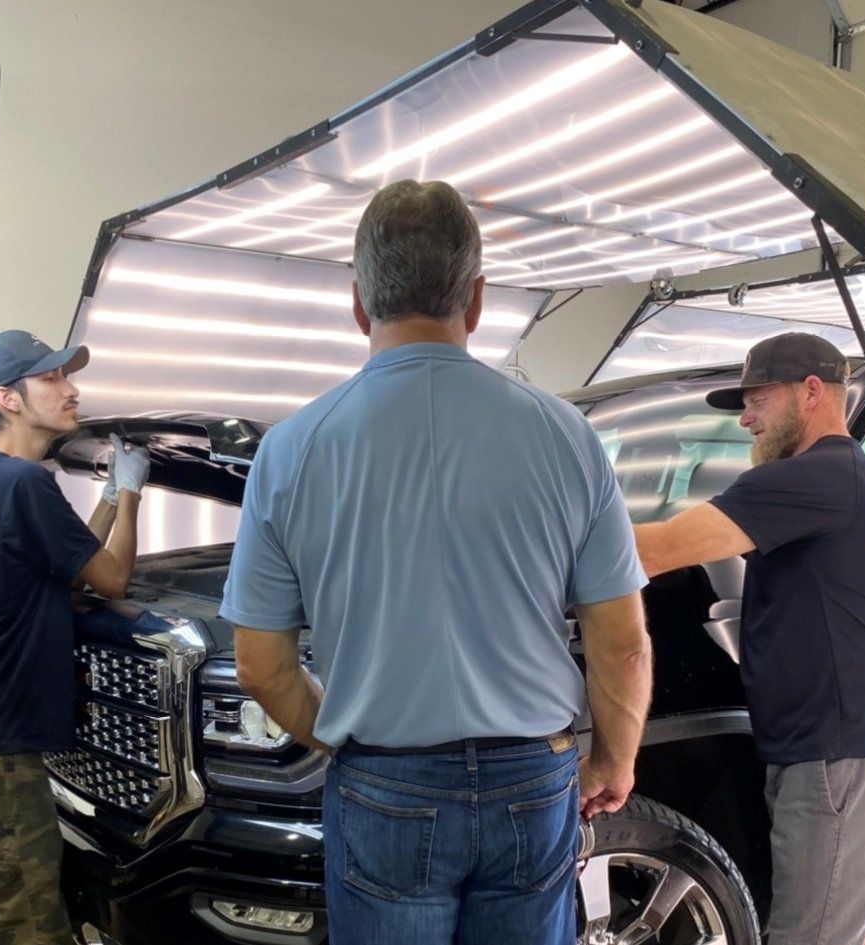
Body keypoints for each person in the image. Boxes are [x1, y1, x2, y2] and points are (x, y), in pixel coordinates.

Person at [219, 180, 652, 945]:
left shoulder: (290, 451)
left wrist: (345, 735)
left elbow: (260, 665)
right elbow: (620, 641)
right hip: (534, 779)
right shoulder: (566, 436)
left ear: (360, 303)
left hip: (385, 781)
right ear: (476, 299)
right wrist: (614, 760)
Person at [633, 332, 865, 945]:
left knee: (811, 934)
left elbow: (654, 549)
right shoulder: (832, 482)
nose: (745, 418)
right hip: (811, 746)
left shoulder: (820, 476)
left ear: (813, 391)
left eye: (758, 400)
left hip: (829, 753)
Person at [0, 330, 150, 945]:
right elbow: (110, 577)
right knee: (26, 927)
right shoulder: (25, 484)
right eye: (50, 379)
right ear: (9, 398)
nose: (70, 388)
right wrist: (130, 493)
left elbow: (69, 556)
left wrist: (103, 497)